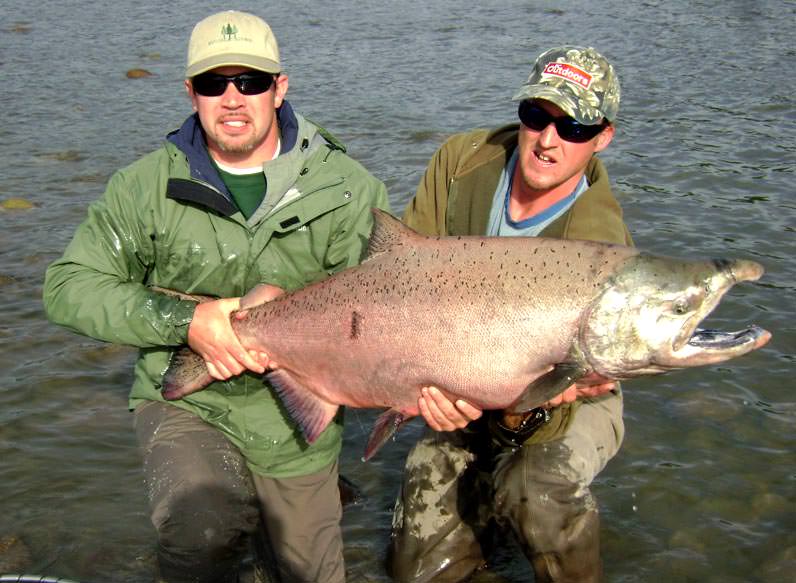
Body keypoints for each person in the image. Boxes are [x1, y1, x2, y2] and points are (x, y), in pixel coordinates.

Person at [43, 11, 393, 583]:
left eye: (251, 82)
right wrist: (187, 320)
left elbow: (384, 308)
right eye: (213, 83)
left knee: (312, 573)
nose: (233, 98)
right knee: (199, 529)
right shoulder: (144, 187)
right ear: (191, 92)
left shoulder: (349, 188)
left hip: (298, 419)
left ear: (280, 88)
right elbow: (67, 287)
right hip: (187, 403)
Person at [388, 46, 633, 583]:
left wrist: (522, 413)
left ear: (602, 138)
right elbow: (401, 276)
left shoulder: (600, 242)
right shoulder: (462, 162)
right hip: (452, 368)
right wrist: (430, 385)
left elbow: (571, 383)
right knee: (417, 568)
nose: (548, 139)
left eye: (572, 127)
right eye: (537, 116)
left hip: (565, 393)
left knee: (536, 488)